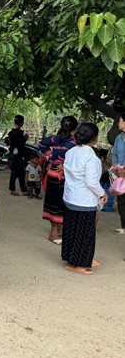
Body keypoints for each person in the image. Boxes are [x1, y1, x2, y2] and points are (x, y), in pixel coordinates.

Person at [61, 123, 107, 274]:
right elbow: (92, 182)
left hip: (70, 197)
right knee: (85, 233)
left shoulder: (71, 152)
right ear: (95, 139)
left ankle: (72, 259)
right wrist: (102, 193)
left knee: (72, 230)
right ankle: (80, 263)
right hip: (84, 200)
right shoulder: (92, 158)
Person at [38, 116, 78, 244]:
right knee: (61, 204)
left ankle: (57, 230)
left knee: (52, 202)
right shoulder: (74, 143)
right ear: (75, 128)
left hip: (51, 173)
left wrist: (49, 156)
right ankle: (54, 234)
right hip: (62, 174)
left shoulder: (56, 138)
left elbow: (41, 143)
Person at [111, 113, 125, 234]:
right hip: (120, 173)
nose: (118, 124)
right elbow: (114, 153)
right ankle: (123, 226)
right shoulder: (119, 138)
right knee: (121, 199)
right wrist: (116, 167)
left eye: (120, 121)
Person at [8, 114, 29, 196]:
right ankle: (12, 189)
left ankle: (24, 189)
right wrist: (25, 139)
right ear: (22, 123)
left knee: (21, 172)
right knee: (15, 172)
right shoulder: (18, 133)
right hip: (16, 154)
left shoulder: (12, 132)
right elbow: (19, 144)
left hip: (14, 154)